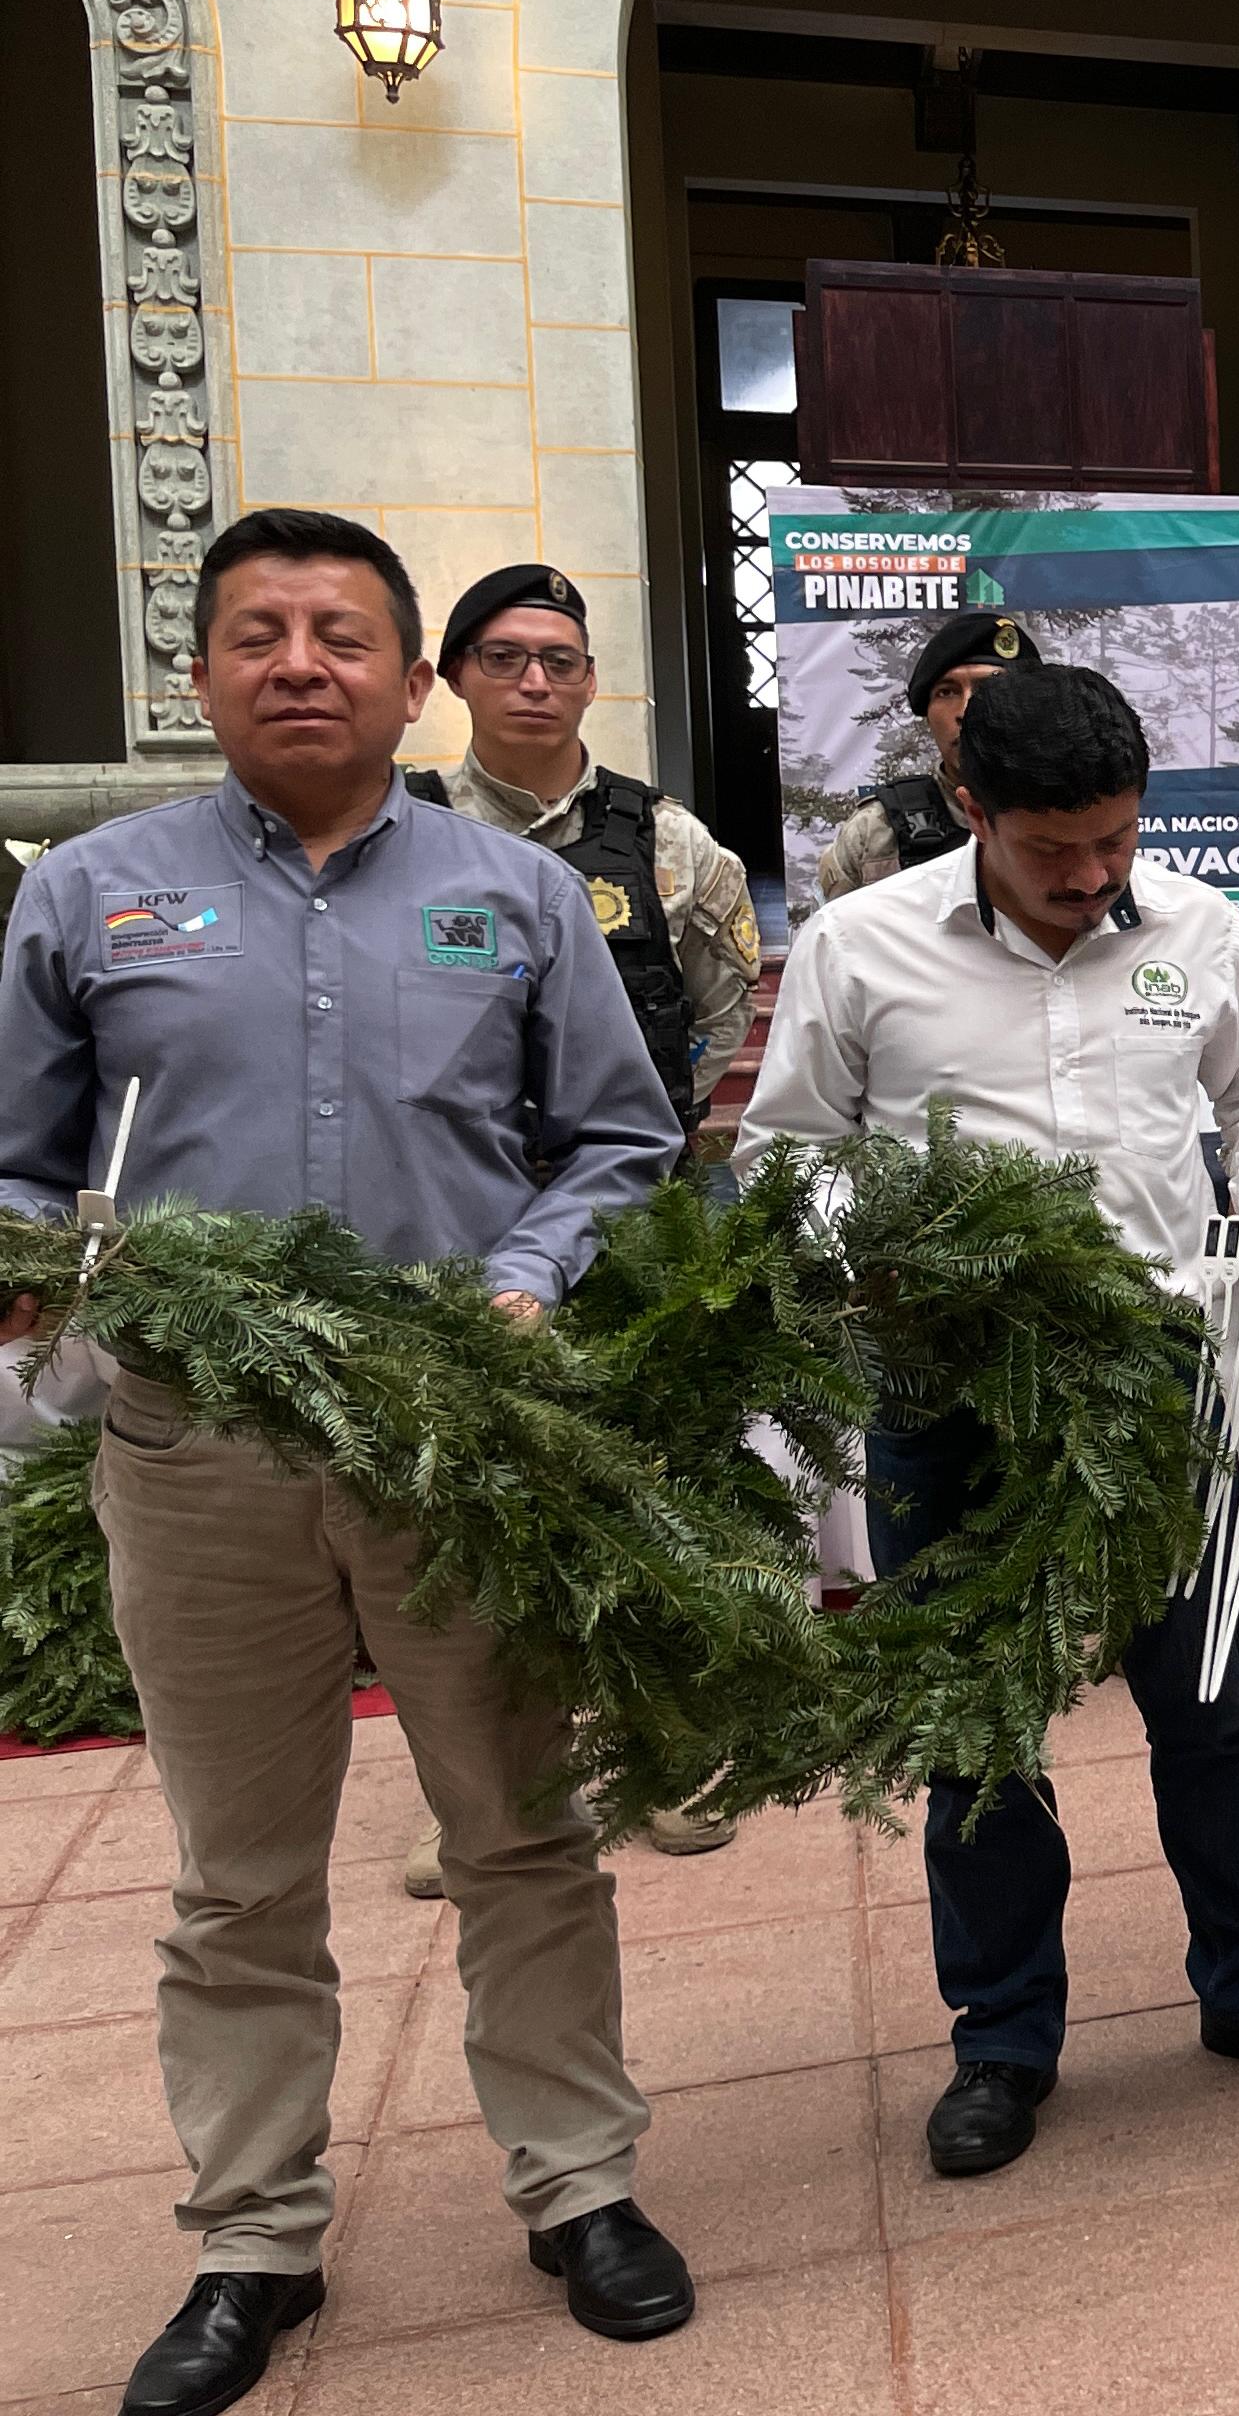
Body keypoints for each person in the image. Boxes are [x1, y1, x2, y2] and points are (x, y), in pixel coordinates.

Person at [0, 510, 697, 2413]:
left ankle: (581, 2185)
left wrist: (530, 1278)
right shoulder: (87, 893)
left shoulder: (518, 894)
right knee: (240, 1870)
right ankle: (251, 2236)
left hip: (455, 1437)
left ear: (410, 677)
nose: (298, 662)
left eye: (339, 634)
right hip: (191, 1442)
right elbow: (14, 1157)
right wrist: (27, 1271)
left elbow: (613, 1141)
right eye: (256, 633)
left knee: (519, 1829)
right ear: (203, 672)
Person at [739, 664, 1239, 2178]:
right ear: (972, 809)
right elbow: (787, 1159)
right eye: (1055, 852)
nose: (1093, 879)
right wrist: (888, 1240)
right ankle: (1003, 2039)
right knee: (980, 1727)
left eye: (1115, 843)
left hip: (1161, 1381)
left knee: (1211, 1711)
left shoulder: (1199, 930)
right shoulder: (862, 946)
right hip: (949, 1393)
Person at [401, 561, 762, 1889]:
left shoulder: (668, 843)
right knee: (469, 1507)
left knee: (653, 1476)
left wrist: (650, 1122)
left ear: (592, 679)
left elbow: (723, 1002)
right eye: (505, 658)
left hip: (635, 1215)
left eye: (560, 659)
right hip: (459, 1221)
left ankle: (658, 1758)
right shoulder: (403, 829)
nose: (537, 683)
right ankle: (481, 1796)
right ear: (453, 679)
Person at [812, 612, 1040, 903]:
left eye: (991, 689)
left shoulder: (1077, 818)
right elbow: (828, 939)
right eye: (947, 692)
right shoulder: (875, 832)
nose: (967, 711)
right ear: (928, 715)